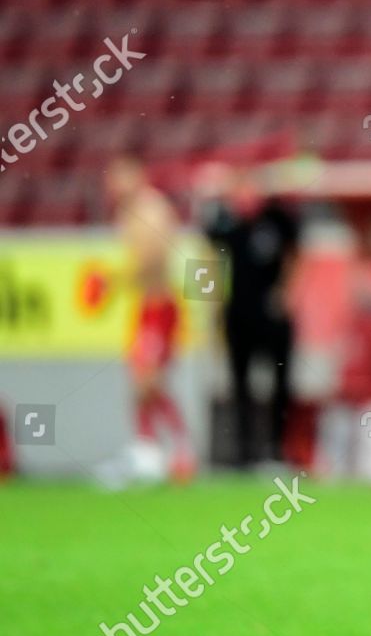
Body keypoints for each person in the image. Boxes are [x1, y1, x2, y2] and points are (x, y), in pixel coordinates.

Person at [200, 166, 300, 468]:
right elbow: (207, 256)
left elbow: (296, 255)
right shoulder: (225, 221)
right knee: (239, 384)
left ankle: (277, 451)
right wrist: (209, 301)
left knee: (280, 383)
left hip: (272, 317)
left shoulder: (277, 218)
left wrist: (286, 292)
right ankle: (244, 454)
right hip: (237, 315)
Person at [106, 157, 193, 480]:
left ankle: (181, 450)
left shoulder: (151, 209)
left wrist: (113, 280)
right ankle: (147, 451)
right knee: (139, 383)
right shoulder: (126, 212)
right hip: (146, 306)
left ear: (137, 176)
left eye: (119, 178)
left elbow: (154, 258)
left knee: (149, 382)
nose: (113, 186)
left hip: (160, 305)